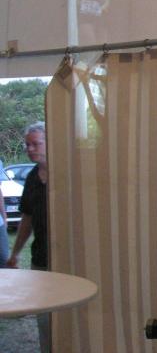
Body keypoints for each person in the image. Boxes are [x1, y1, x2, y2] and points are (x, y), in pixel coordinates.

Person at [7, 122, 50, 353]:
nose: (30, 149)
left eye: (36, 144)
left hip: (68, 258)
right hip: (40, 258)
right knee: (44, 316)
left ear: (50, 143)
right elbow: (27, 219)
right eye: (27, 144)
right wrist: (15, 253)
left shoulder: (66, 173)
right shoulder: (32, 177)